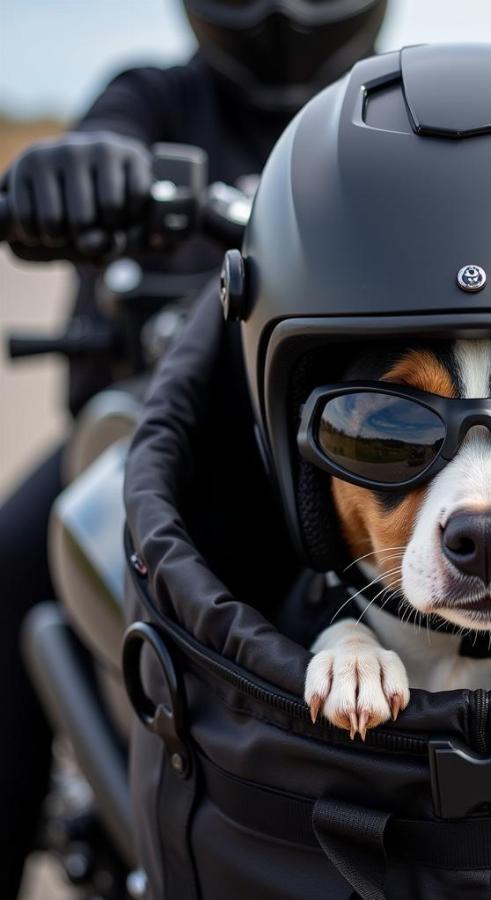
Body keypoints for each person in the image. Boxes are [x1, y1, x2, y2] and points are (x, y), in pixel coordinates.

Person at [0, 1, 387, 893]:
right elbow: (112, 128)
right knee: (18, 563)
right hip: (155, 418)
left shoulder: (395, 106)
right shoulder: (157, 99)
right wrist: (80, 168)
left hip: (352, 437)